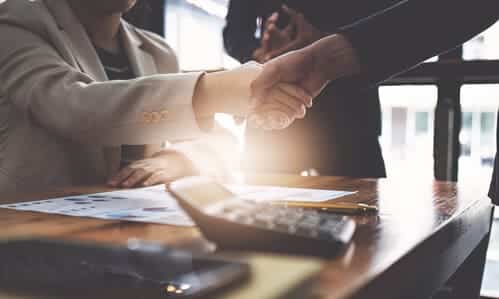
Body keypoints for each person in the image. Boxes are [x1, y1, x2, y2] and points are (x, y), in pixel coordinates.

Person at [0, 0, 310, 193]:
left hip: (128, 235)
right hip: (30, 234)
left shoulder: (157, 51)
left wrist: (179, 160)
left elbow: (221, 141)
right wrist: (211, 91)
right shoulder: (14, 24)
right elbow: (74, 109)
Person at [250, 0, 499, 205]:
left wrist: (323, 45)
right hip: (275, 104)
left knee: (365, 219)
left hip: (350, 112)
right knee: (255, 216)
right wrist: (267, 54)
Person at [224, 0, 398, 177]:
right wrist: (262, 54)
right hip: (276, 99)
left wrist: (325, 42)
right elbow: (234, 34)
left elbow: (388, 16)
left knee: (362, 197)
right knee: (264, 197)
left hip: (348, 106)